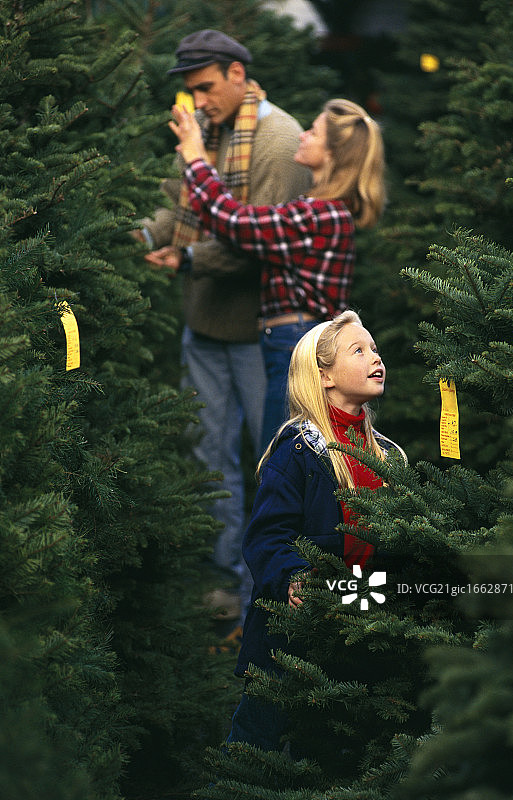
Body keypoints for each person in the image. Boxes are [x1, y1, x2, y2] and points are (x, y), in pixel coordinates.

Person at [139, 30, 312, 621]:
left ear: (238, 74)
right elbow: (177, 200)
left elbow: (251, 240)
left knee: (271, 460)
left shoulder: (280, 140)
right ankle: (223, 580)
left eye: (206, 87)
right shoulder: (203, 134)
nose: (199, 100)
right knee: (208, 453)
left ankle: (272, 585)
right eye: (192, 90)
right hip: (205, 324)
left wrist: (187, 259)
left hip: (264, 331)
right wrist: (141, 236)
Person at [223, 310, 407, 752]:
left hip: (361, 617)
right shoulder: (298, 451)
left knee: (332, 747)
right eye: (358, 350)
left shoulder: (386, 454)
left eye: (375, 348)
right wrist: (294, 578)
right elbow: (267, 538)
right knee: (257, 746)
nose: (375, 357)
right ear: (324, 376)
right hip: (293, 633)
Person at [169, 97, 386, 453]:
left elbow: (234, 222)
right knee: (286, 453)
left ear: (333, 152)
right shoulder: (321, 210)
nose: (302, 135)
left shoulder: (319, 214)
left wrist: (195, 157)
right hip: (288, 339)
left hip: (294, 341)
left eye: (313, 131)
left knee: (281, 457)